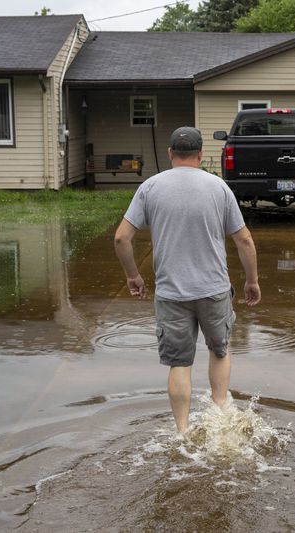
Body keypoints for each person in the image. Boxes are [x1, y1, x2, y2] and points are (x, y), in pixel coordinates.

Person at [114, 126, 261, 435]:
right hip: (214, 290)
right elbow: (244, 240)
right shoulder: (218, 187)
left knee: (179, 363)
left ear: (170, 154)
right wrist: (252, 281)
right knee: (219, 350)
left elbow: (121, 239)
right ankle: (220, 415)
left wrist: (133, 275)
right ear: (200, 155)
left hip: (171, 293)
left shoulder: (151, 187)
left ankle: (182, 433)